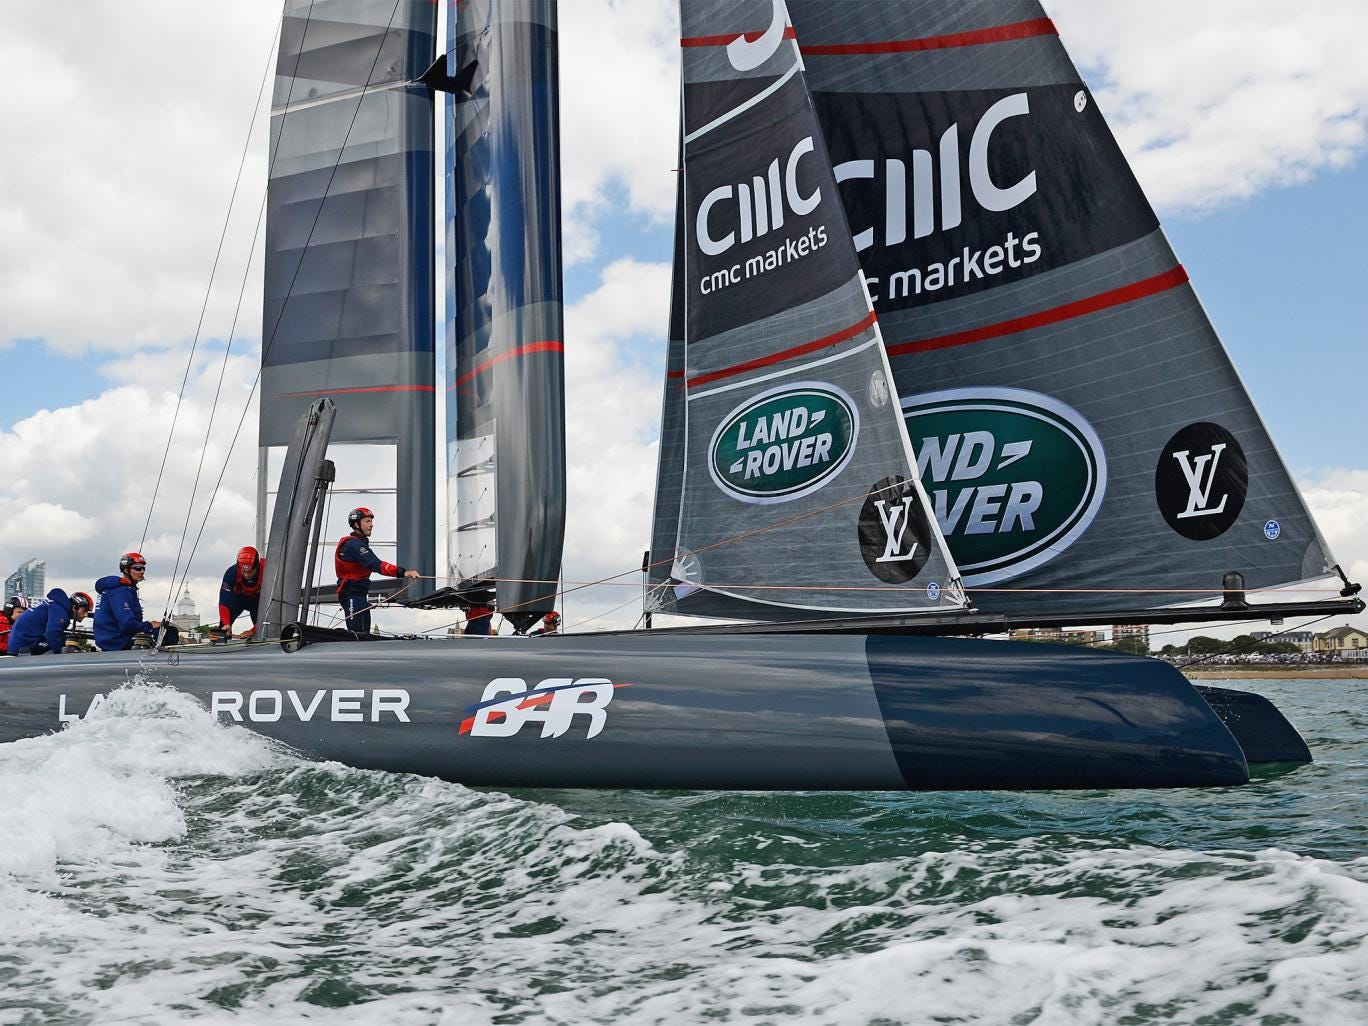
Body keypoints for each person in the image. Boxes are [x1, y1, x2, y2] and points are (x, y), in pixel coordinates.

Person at [335, 507, 420, 635]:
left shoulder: (359, 544)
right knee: (356, 635)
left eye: (371, 521)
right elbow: (374, 564)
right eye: (367, 521)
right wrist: (403, 572)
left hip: (359, 595)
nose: (371, 525)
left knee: (364, 635)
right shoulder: (354, 545)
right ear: (357, 525)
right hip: (352, 595)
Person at [93, 552, 164, 652]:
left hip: (112, 641)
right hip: (118, 643)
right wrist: (150, 625)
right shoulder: (121, 591)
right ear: (126, 570)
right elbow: (127, 624)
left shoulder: (119, 589)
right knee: (168, 633)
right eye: (138, 568)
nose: (142, 571)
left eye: (143, 568)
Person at [7, 589, 93, 656]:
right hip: (23, 645)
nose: (85, 615)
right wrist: (61, 653)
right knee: (61, 651)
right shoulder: (60, 611)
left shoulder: (55, 605)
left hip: (20, 641)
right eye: (84, 610)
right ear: (74, 607)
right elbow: (51, 633)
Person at [220, 546, 264, 638]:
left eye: (250, 572)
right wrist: (226, 623)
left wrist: (252, 631)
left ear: (257, 566)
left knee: (265, 629)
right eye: (244, 572)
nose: (247, 575)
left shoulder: (268, 571)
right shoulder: (231, 573)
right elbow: (223, 603)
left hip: (258, 602)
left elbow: (270, 614)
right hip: (238, 600)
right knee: (223, 628)